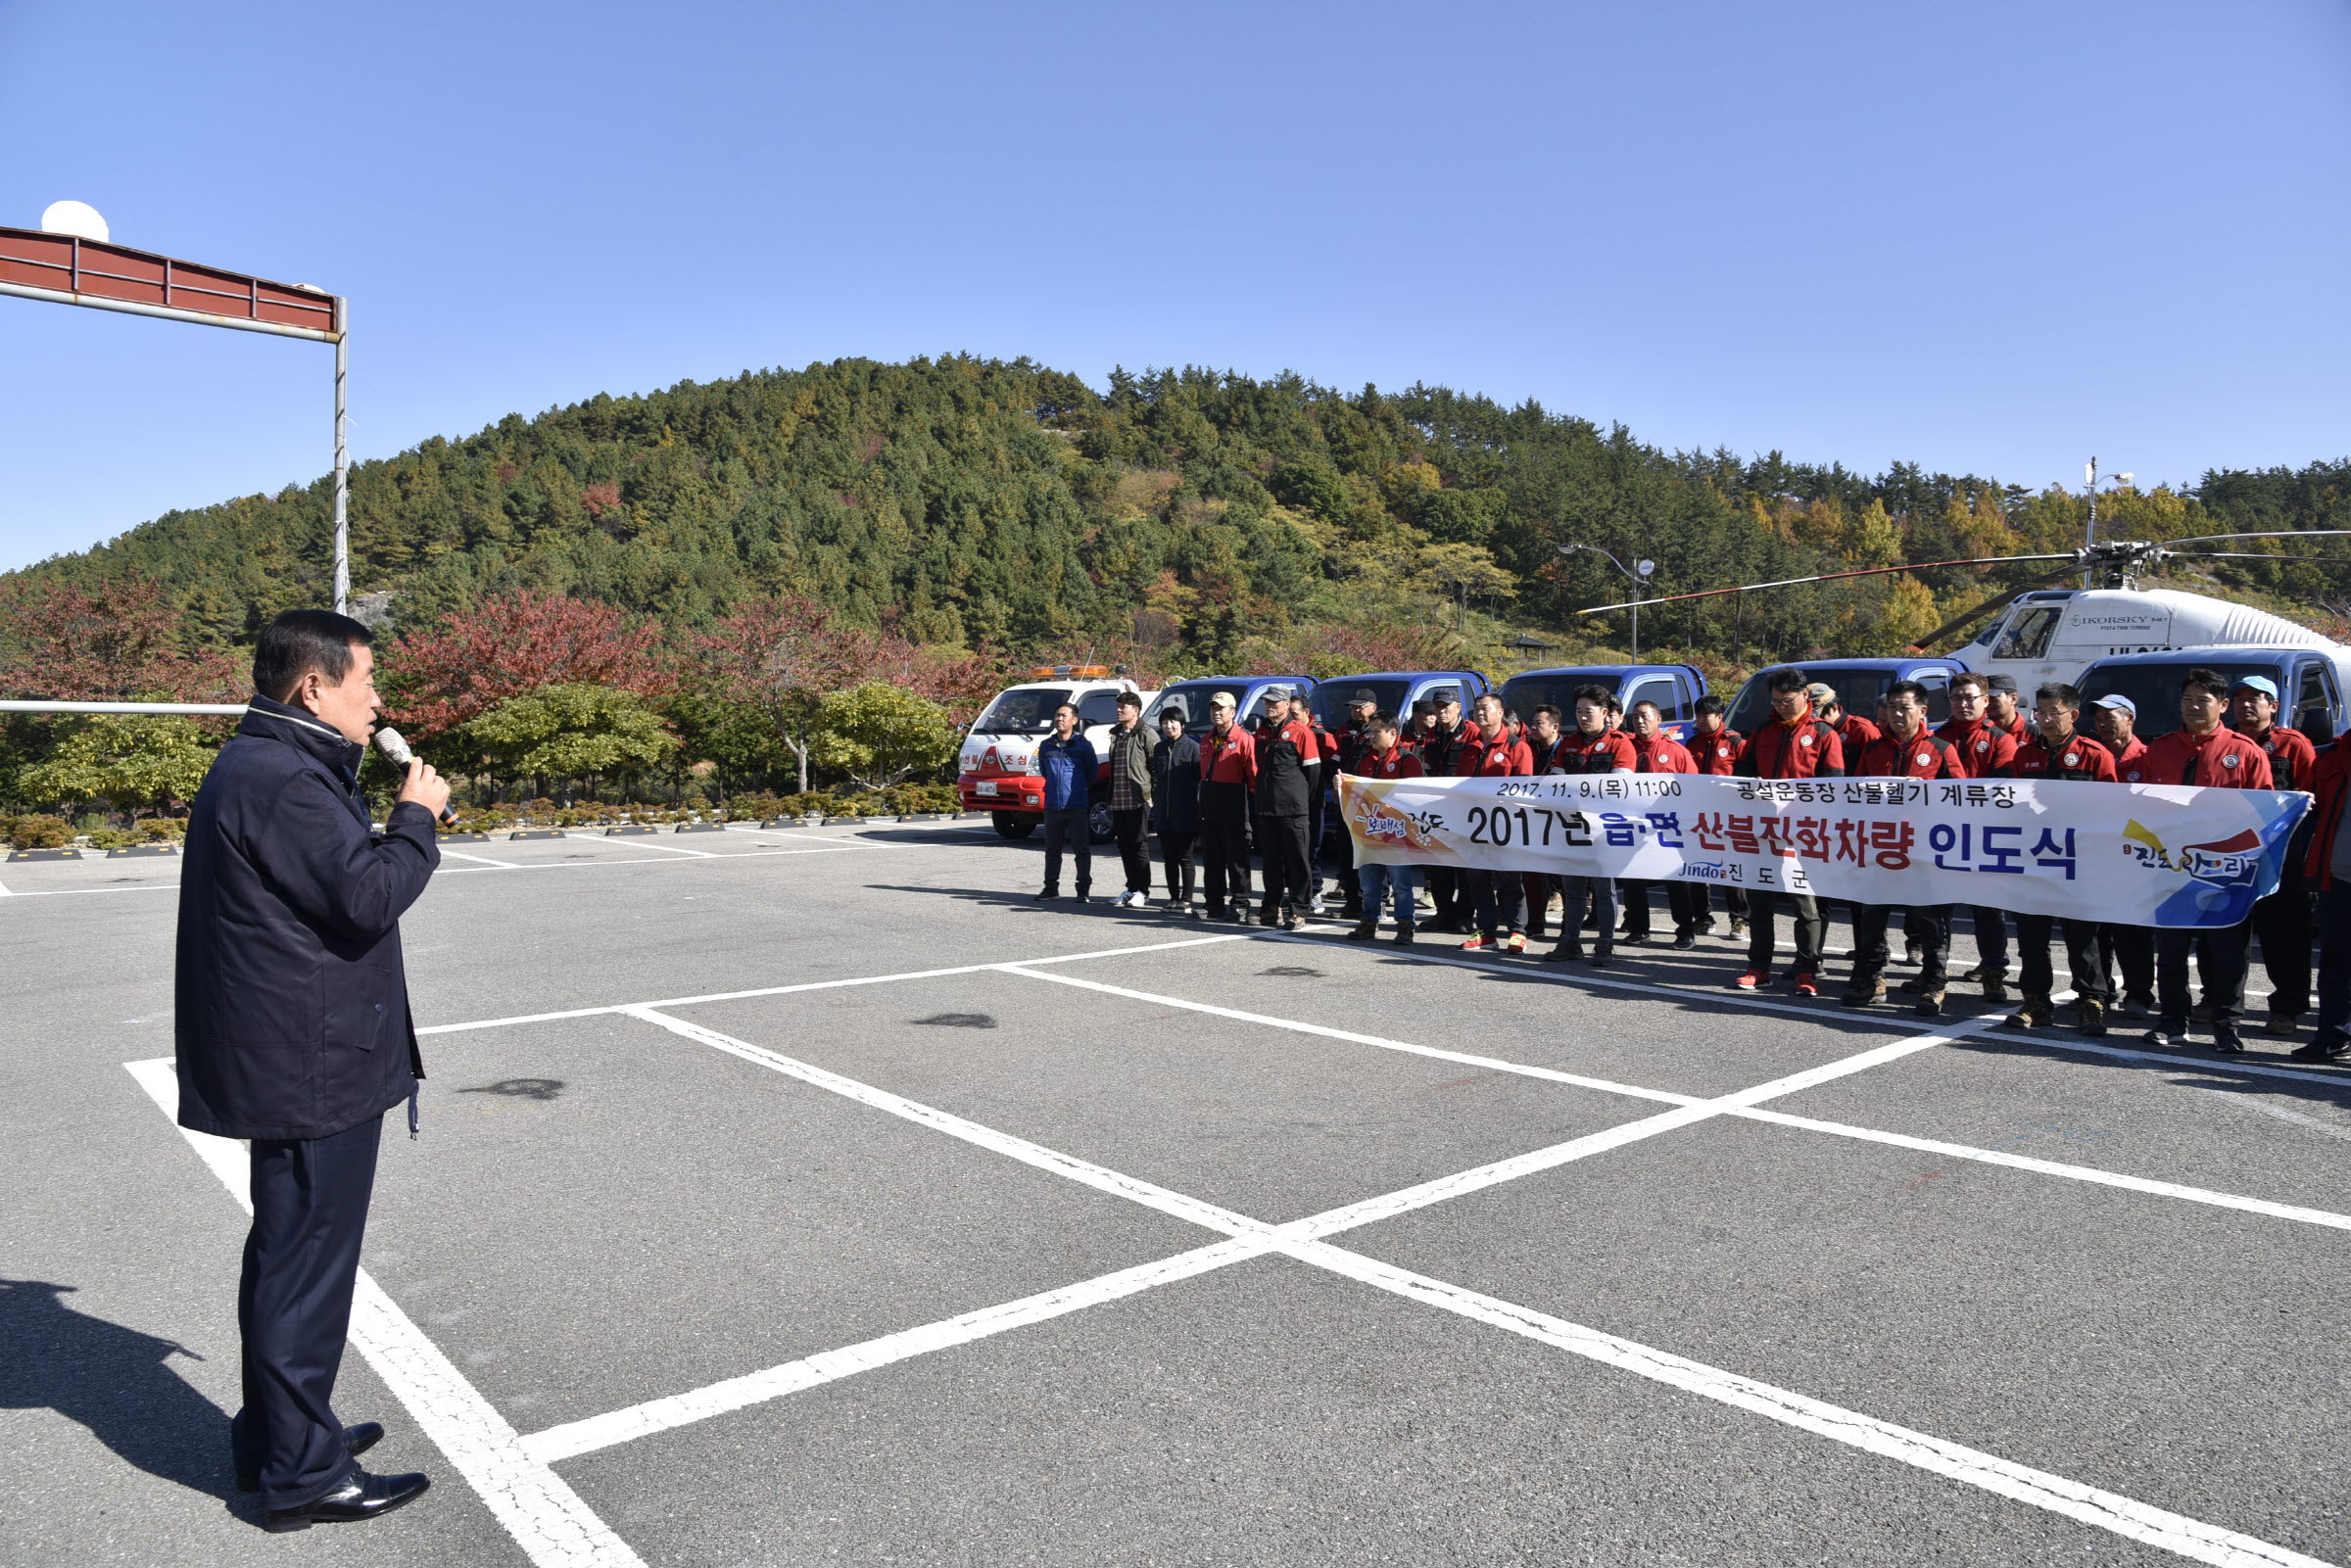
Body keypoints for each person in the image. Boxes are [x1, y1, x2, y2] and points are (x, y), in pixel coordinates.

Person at [176, 609, 442, 1531]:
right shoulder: (285, 778)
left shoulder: (269, 763)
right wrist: (415, 818)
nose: (377, 697)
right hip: (310, 1061)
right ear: (314, 687)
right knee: (307, 1266)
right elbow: (367, 896)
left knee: (287, 1253)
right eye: (364, 678)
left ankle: (282, 1433)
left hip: (294, 1050)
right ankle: (301, 1474)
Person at [2139, 668, 2274, 1052]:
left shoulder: (2245, 751)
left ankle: (2227, 1026)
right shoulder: (2159, 750)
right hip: (2170, 869)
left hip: (2227, 873)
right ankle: (2171, 1021)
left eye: (2203, 700)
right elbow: (2136, 807)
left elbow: (2264, 810)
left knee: (2229, 954)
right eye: (2187, 700)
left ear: (2223, 706)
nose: (2194, 707)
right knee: (2170, 952)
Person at [1995, 684, 2119, 1034]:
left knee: (2083, 938)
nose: (2046, 719)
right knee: (2032, 936)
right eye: (2041, 712)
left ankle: (2092, 1002)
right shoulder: (2024, 755)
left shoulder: (2095, 755)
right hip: (2034, 861)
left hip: (2079, 862)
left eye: (2054, 712)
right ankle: (2035, 1001)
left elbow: (2111, 811)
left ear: (2073, 715)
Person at [1841, 681, 1963, 1017]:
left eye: (1904, 707)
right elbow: (1856, 798)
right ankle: (1872, 979)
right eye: (1892, 707)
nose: (1896, 714)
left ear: (1922, 711)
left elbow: (1961, 801)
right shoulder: (1873, 750)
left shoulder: (1941, 749)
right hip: (1880, 848)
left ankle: (1935, 984)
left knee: (1929, 920)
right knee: (1871, 917)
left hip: (1924, 850)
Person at [1733, 667, 1844, 996]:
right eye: (1776, 700)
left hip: (1806, 833)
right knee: (1760, 901)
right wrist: (1757, 786)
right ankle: (1758, 968)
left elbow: (1834, 784)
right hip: (1765, 831)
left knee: (1805, 904)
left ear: (1805, 696)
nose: (1782, 706)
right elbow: (1743, 770)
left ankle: (1807, 969)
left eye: (1788, 700)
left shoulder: (1824, 733)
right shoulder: (1764, 731)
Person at [2231, 675, 2320, 1037]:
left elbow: (2311, 800)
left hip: (2283, 859)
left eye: (2256, 698)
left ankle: (2287, 1008)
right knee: (2226, 932)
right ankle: (2219, 1000)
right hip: (2230, 855)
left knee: (2284, 936)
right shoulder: (2225, 742)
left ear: (2275, 706)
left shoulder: (2293, 744)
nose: (2246, 705)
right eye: (2240, 698)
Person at [1936, 672, 2018, 1001]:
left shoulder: (2000, 739)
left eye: (1970, 697)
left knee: (1988, 911)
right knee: (1937, 910)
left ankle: (1994, 972)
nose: (1963, 704)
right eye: (1957, 698)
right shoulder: (1937, 737)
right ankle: (1935, 974)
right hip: (1942, 835)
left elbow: (2004, 790)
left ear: (1986, 700)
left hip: (1985, 835)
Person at [1544, 685, 1637, 968]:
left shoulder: (1620, 744)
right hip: (1571, 827)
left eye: (1589, 712)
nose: (1583, 717)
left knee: (1604, 891)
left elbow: (1621, 788)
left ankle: (1605, 944)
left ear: (1605, 713)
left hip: (1604, 831)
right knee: (1573, 890)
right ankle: (1570, 941)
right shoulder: (1569, 743)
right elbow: (1555, 781)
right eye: (1579, 712)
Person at [2092, 693, 2157, 1014]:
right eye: (2099, 719)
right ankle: (2099, 991)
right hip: (2096, 857)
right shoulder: (2091, 755)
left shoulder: (2148, 758)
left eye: (2110, 718)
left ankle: (2139, 994)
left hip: (2134, 859)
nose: (2103, 725)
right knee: (2097, 931)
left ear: (2129, 719)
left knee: (2133, 932)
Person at [1456, 692, 1534, 953]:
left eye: (1485, 708)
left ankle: (1517, 932)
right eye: (1476, 708)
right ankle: (1487, 932)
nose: (1479, 713)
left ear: (1500, 712)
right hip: (1475, 826)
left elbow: (1525, 789)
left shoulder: (1516, 746)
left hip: (1506, 825)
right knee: (1478, 880)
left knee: (1510, 880)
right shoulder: (1469, 746)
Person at [1621, 700, 1701, 948]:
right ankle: (1638, 929)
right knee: (1633, 879)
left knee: (1675, 882)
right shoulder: (1627, 749)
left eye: (1645, 716)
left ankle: (1686, 930)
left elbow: (1693, 788)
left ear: (1658, 720)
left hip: (1667, 826)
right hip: (1634, 826)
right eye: (1635, 717)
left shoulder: (1676, 751)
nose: (1639, 721)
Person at [2292, 733, 2351, 1061]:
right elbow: (2307, 803)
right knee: (2334, 965)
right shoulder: (2331, 757)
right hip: (2339, 877)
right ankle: (2332, 1036)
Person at [1346, 711, 1424, 944]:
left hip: (1397, 833)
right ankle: (1369, 922)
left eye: (1376, 731)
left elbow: (1415, 797)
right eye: (1370, 731)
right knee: (1369, 883)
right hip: (1370, 831)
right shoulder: (1366, 759)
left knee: (1401, 884)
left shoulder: (1407, 760)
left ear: (1392, 733)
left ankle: (1405, 926)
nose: (1370, 736)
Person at [1252, 686, 1318, 929]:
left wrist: (1301, 801)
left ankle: (1299, 910)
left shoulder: (1301, 732)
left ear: (1287, 704)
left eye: (1274, 702)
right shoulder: (1262, 731)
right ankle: (1271, 909)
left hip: (1293, 809)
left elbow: (1313, 773)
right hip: (1267, 809)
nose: (1269, 706)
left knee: (1298, 862)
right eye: (1266, 702)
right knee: (1270, 862)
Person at [1417, 695, 1479, 931]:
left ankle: (1464, 916)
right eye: (1437, 707)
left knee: (1465, 868)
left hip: (1464, 808)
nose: (1441, 711)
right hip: (1437, 809)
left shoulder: (1471, 732)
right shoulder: (1433, 734)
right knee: (1437, 863)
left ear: (1458, 708)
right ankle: (1444, 913)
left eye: (1446, 707)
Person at [1686, 693, 1745, 938]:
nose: (1700, 720)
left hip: (1730, 817)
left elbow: (1747, 779)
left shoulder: (1735, 742)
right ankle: (1703, 917)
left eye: (1705, 716)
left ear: (1720, 716)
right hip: (1700, 817)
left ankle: (1740, 919)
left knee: (1733, 869)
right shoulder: (1692, 744)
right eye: (1697, 716)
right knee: (1698, 869)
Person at [1197, 691, 1257, 921]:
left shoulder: (1243, 738)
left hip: (1234, 802)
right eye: (1213, 708)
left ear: (1232, 712)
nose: (1216, 712)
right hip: (1210, 803)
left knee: (1236, 858)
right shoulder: (1206, 739)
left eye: (1221, 708)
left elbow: (1253, 776)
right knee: (1212, 858)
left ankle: (1240, 903)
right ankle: (1213, 904)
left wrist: (1252, 806)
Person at [1034, 702, 1097, 902]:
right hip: (1053, 806)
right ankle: (1051, 888)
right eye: (1057, 715)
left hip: (1076, 805)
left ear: (1074, 720)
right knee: (1052, 850)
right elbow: (1045, 772)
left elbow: (1092, 773)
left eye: (1064, 715)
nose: (1059, 719)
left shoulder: (1083, 745)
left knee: (1081, 850)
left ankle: (1083, 890)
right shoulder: (1046, 745)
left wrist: (1077, 790)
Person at [1522, 704, 1570, 938]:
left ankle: (1568, 927)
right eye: (1532, 723)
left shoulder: (1568, 750)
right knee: (1533, 877)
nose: (1532, 727)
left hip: (1562, 822)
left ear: (1555, 727)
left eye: (1538, 723)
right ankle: (1534, 924)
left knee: (1565, 879)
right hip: (1533, 821)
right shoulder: (1525, 749)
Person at [1149, 704, 1202, 916]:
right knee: (1169, 858)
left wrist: (1196, 808)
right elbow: (1156, 778)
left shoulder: (1192, 748)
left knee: (1185, 858)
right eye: (1164, 722)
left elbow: (1199, 781)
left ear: (1182, 724)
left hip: (1186, 813)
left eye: (1173, 722)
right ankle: (1173, 898)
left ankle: (1187, 900)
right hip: (1164, 813)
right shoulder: (1159, 749)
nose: (1169, 726)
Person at [1104, 691, 1155, 908]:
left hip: (1138, 799)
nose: (1118, 709)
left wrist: (1152, 795)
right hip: (1118, 799)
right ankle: (1131, 888)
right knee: (1124, 846)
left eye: (1123, 706)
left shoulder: (1146, 733)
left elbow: (1156, 766)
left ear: (1135, 710)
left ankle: (1143, 891)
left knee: (1138, 845)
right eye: (1118, 705)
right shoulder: (1116, 734)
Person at [1333, 689, 1380, 919]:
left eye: (1360, 706)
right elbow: (1334, 761)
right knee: (1347, 853)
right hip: (1346, 800)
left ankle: (1371, 902)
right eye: (1353, 706)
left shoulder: (1378, 731)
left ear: (1373, 707)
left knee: (1369, 853)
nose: (1355, 710)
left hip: (1369, 803)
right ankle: (1352, 901)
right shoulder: (1344, 730)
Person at [1810, 682, 1879, 760]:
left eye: (1817, 716)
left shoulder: (1861, 730)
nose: (1814, 721)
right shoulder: (1808, 731)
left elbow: (1877, 763)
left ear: (1834, 708)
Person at [1986, 674, 2031, 740]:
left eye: (1992, 698)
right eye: (1984, 699)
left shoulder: (2034, 733)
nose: (1987, 703)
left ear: (2013, 699)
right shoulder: (1980, 733)